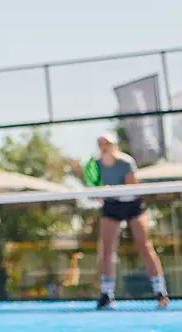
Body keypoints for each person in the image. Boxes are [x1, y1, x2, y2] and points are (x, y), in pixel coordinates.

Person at [70, 132, 168, 309]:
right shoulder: (96, 165)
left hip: (132, 204)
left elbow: (133, 187)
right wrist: (102, 192)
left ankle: (160, 291)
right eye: (100, 143)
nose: (103, 146)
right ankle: (107, 294)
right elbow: (95, 190)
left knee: (144, 246)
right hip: (111, 205)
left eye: (106, 143)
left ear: (114, 145)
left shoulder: (125, 162)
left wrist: (115, 190)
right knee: (106, 249)